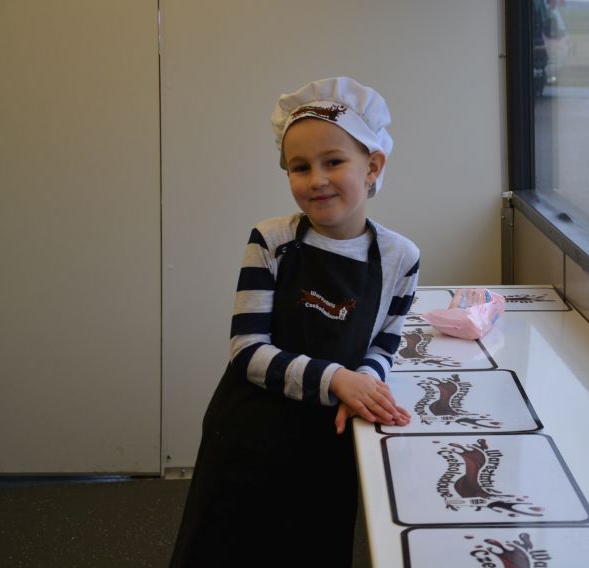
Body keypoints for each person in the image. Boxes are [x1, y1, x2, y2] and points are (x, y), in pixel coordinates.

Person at [170, 76, 420, 567]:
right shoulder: (271, 241)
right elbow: (247, 350)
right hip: (249, 437)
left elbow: (385, 344)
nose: (316, 179)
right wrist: (339, 380)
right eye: (300, 167)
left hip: (328, 439)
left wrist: (364, 386)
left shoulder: (400, 257)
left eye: (334, 162)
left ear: (373, 166)